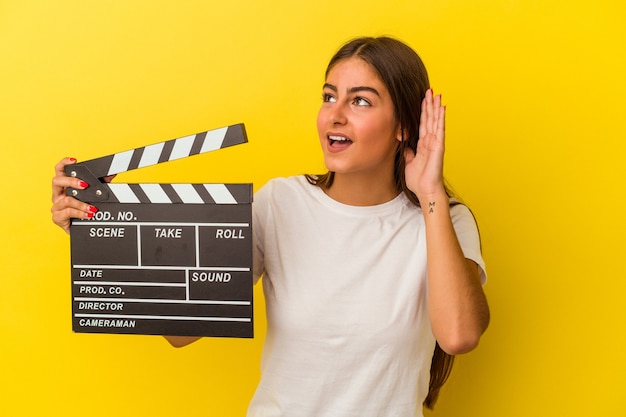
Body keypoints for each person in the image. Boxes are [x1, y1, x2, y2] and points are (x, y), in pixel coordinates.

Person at [51, 36, 489, 417]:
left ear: (404, 126)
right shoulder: (280, 203)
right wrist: (101, 232)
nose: (334, 114)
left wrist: (429, 192)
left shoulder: (444, 221)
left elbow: (458, 334)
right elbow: (180, 330)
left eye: (360, 100)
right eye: (328, 96)